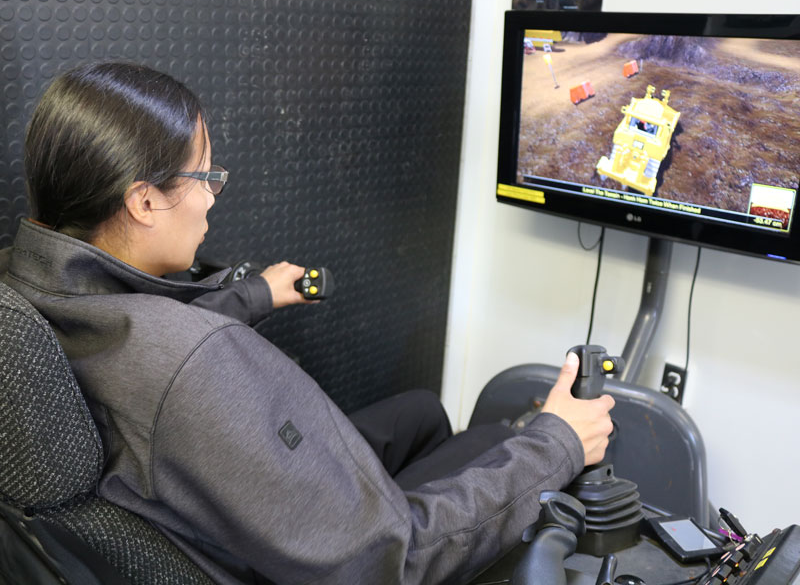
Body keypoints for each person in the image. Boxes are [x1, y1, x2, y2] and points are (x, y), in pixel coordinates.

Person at [0, 62, 615, 585]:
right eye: (205, 176)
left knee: (423, 411)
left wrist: (253, 296)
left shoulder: (28, 288)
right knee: (491, 443)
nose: (214, 196)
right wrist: (556, 441)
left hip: (191, 492)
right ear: (144, 200)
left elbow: (133, 337)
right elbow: (388, 560)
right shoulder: (197, 366)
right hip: (318, 550)